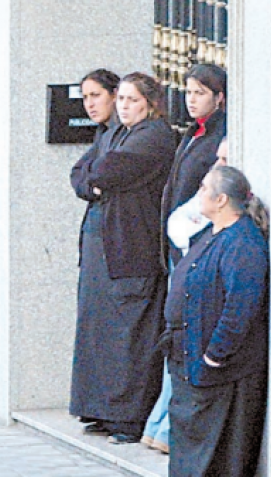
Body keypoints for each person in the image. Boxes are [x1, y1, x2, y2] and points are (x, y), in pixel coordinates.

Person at [68, 71, 176, 444]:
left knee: (129, 335)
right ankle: (99, 409)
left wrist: (97, 180)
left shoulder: (154, 136)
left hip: (132, 250)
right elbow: (81, 172)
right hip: (101, 249)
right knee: (98, 330)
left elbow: (106, 170)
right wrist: (95, 182)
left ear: (150, 103)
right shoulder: (113, 133)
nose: (126, 107)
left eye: (132, 100)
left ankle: (127, 418)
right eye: (124, 100)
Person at [166, 165, 269, 477]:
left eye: (203, 187)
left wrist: (213, 356)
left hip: (219, 371)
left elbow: (240, 307)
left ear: (222, 199)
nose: (198, 194)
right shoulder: (211, 234)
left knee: (217, 459)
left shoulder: (243, 243)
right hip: (190, 360)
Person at [140, 136, 229, 455]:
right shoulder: (207, 190)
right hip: (184, 293)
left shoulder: (230, 217)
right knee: (175, 367)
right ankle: (157, 427)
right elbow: (177, 224)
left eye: (225, 158)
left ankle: (162, 429)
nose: (218, 164)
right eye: (217, 157)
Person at [161, 63, 227, 268]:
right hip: (180, 236)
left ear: (219, 97)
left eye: (200, 93)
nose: (191, 99)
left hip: (198, 237)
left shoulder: (221, 135)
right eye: (188, 92)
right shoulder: (194, 131)